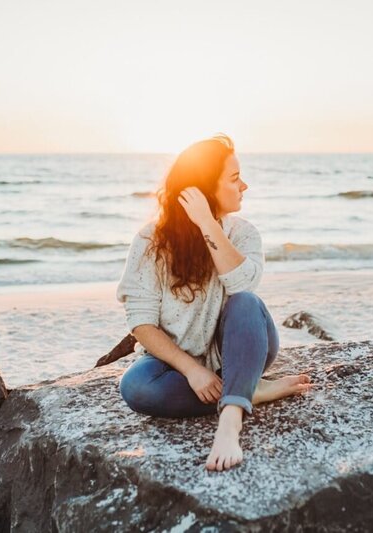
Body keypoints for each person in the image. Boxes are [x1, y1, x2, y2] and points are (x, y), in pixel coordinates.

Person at [116, 134, 312, 472]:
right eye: (235, 179)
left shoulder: (244, 234)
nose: (245, 186)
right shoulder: (150, 241)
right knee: (135, 387)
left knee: (246, 302)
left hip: (242, 352)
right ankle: (252, 391)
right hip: (177, 369)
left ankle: (231, 419)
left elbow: (242, 285)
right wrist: (193, 370)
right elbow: (141, 323)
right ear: (205, 189)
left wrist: (207, 222)